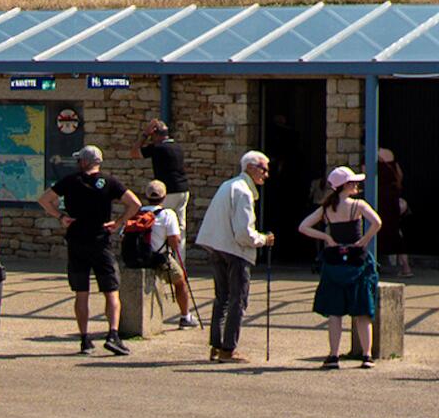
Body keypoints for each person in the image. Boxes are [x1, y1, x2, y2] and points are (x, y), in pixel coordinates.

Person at [39, 145, 141, 356]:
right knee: (111, 291)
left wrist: (61, 217)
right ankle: (113, 335)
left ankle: (85, 339)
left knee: (81, 292)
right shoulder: (110, 182)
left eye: (79, 160)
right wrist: (119, 222)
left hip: (77, 241)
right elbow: (135, 204)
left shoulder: (71, 181)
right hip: (100, 241)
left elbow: (44, 200)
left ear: (84, 162)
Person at [196, 150, 276, 363]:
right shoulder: (243, 192)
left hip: (217, 247)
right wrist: (263, 240)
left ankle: (217, 345)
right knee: (237, 300)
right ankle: (228, 349)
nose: (266, 174)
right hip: (234, 251)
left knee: (222, 298)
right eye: (263, 169)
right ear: (250, 167)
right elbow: (244, 233)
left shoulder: (228, 185)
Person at [299, 166, 383, 369]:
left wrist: (327, 237)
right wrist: (364, 240)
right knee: (362, 310)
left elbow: (303, 227)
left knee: (334, 312)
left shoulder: (327, 209)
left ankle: (334, 355)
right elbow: (377, 222)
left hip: (334, 260)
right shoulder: (358, 205)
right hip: (357, 259)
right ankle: (367, 355)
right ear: (345, 185)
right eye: (353, 182)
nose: (356, 185)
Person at [137, 179, 198, 329]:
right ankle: (185, 316)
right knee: (181, 281)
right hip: (159, 259)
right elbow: (174, 242)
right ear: (164, 197)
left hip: (138, 258)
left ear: (146, 196)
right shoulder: (168, 214)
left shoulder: (137, 212)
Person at [376, 148, 412, 278]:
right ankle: (406, 267)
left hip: (378, 197)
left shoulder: (370, 157)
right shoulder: (391, 155)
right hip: (393, 196)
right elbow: (399, 174)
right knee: (396, 231)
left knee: (372, 228)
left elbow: (367, 175)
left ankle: (372, 264)